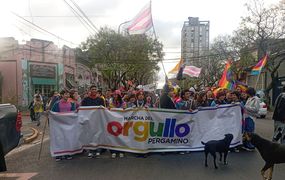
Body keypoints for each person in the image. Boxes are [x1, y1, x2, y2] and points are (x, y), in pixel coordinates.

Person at [51, 89, 77, 161]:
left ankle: (67, 153)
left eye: (68, 94)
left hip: (68, 125)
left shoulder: (72, 104)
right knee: (59, 139)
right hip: (59, 125)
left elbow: (73, 113)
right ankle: (59, 155)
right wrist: (48, 113)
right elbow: (53, 112)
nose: (67, 95)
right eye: (65, 94)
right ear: (62, 95)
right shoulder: (57, 103)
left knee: (68, 139)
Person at [81, 85, 105, 158]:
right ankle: (91, 150)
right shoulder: (85, 100)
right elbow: (82, 109)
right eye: (92, 89)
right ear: (90, 90)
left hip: (97, 120)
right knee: (90, 135)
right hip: (89, 120)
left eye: (95, 89)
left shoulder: (100, 99)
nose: (94, 90)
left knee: (98, 134)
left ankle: (98, 149)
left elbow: (103, 109)